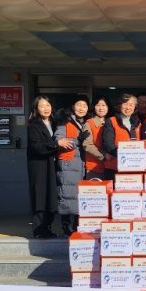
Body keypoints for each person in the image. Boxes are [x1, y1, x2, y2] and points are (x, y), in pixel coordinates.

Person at [26, 96, 74, 238]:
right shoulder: (33, 125)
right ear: (36, 109)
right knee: (40, 197)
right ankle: (38, 230)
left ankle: (46, 228)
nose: (45, 109)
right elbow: (37, 147)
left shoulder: (54, 123)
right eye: (41, 106)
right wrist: (57, 144)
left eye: (47, 105)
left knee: (51, 197)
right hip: (39, 165)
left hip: (52, 165)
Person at [54, 96, 89, 236]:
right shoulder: (65, 122)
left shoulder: (87, 122)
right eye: (78, 105)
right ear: (73, 107)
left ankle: (76, 224)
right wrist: (77, 140)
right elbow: (60, 141)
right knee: (68, 195)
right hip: (68, 164)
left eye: (84, 106)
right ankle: (65, 224)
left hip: (82, 164)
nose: (81, 108)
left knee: (79, 196)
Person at [102, 94, 146, 170]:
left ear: (135, 107)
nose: (128, 107)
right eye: (125, 104)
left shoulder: (138, 123)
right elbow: (108, 145)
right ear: (120, 105)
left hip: (134, 166)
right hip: (115, 166)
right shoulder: (111, 121)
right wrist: (126, 156)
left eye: (131, 105)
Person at [81, 96, 115, 180]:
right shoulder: (89, 123)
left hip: (111, 166)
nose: (101, 108)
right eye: (98, 105)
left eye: (104, 105)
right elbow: (87, 145)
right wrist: (104, 155)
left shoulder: (113, 122)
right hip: (94, 167)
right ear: (94, 107)